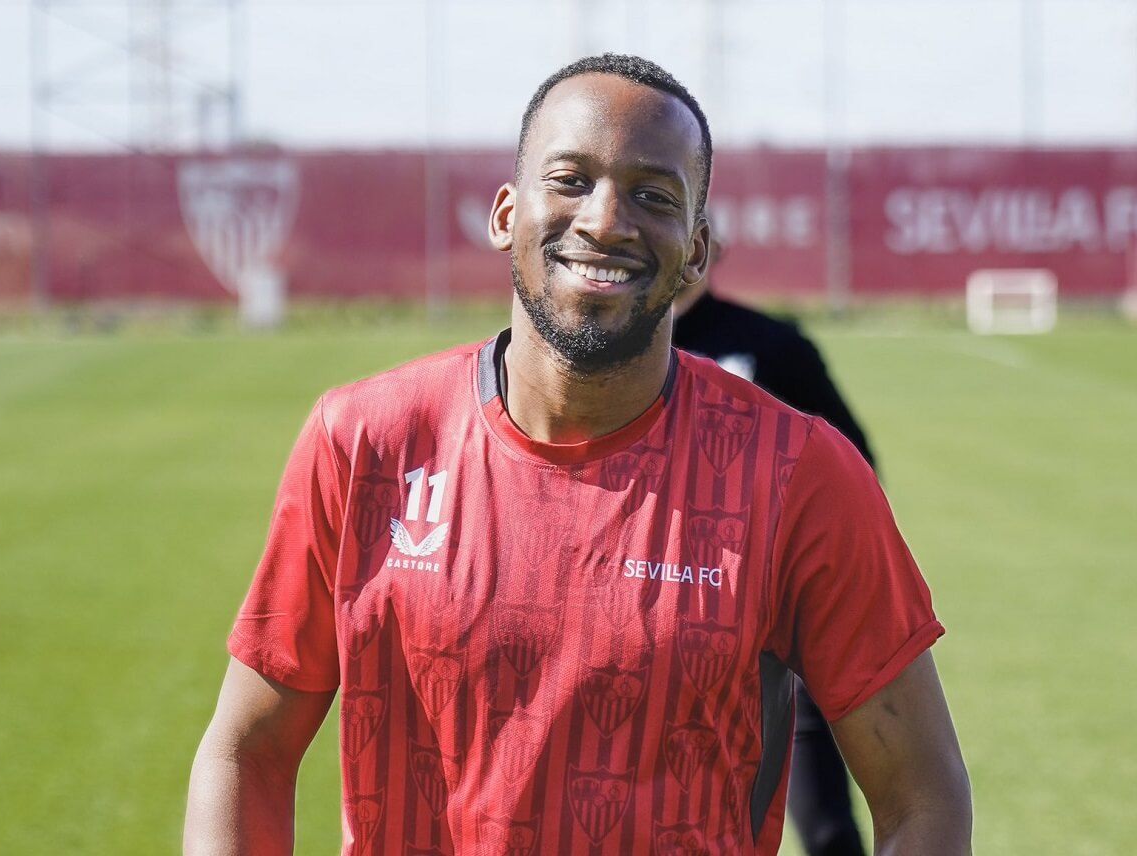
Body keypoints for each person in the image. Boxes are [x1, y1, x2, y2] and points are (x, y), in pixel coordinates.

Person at [185, 54, 972, 855]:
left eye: (653, 196)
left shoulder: (797, 474)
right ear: (504, 214)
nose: (605, 220)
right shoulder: (364, 443)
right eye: (570, 179)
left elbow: (923, 798)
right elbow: (248, 749)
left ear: (696, 251)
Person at [673, 250, 875, 856]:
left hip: (774, 629)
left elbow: (854, 468)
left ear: (703, 247)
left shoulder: (773, 344)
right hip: (657, 623)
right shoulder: (604, 365)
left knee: (829, 831)